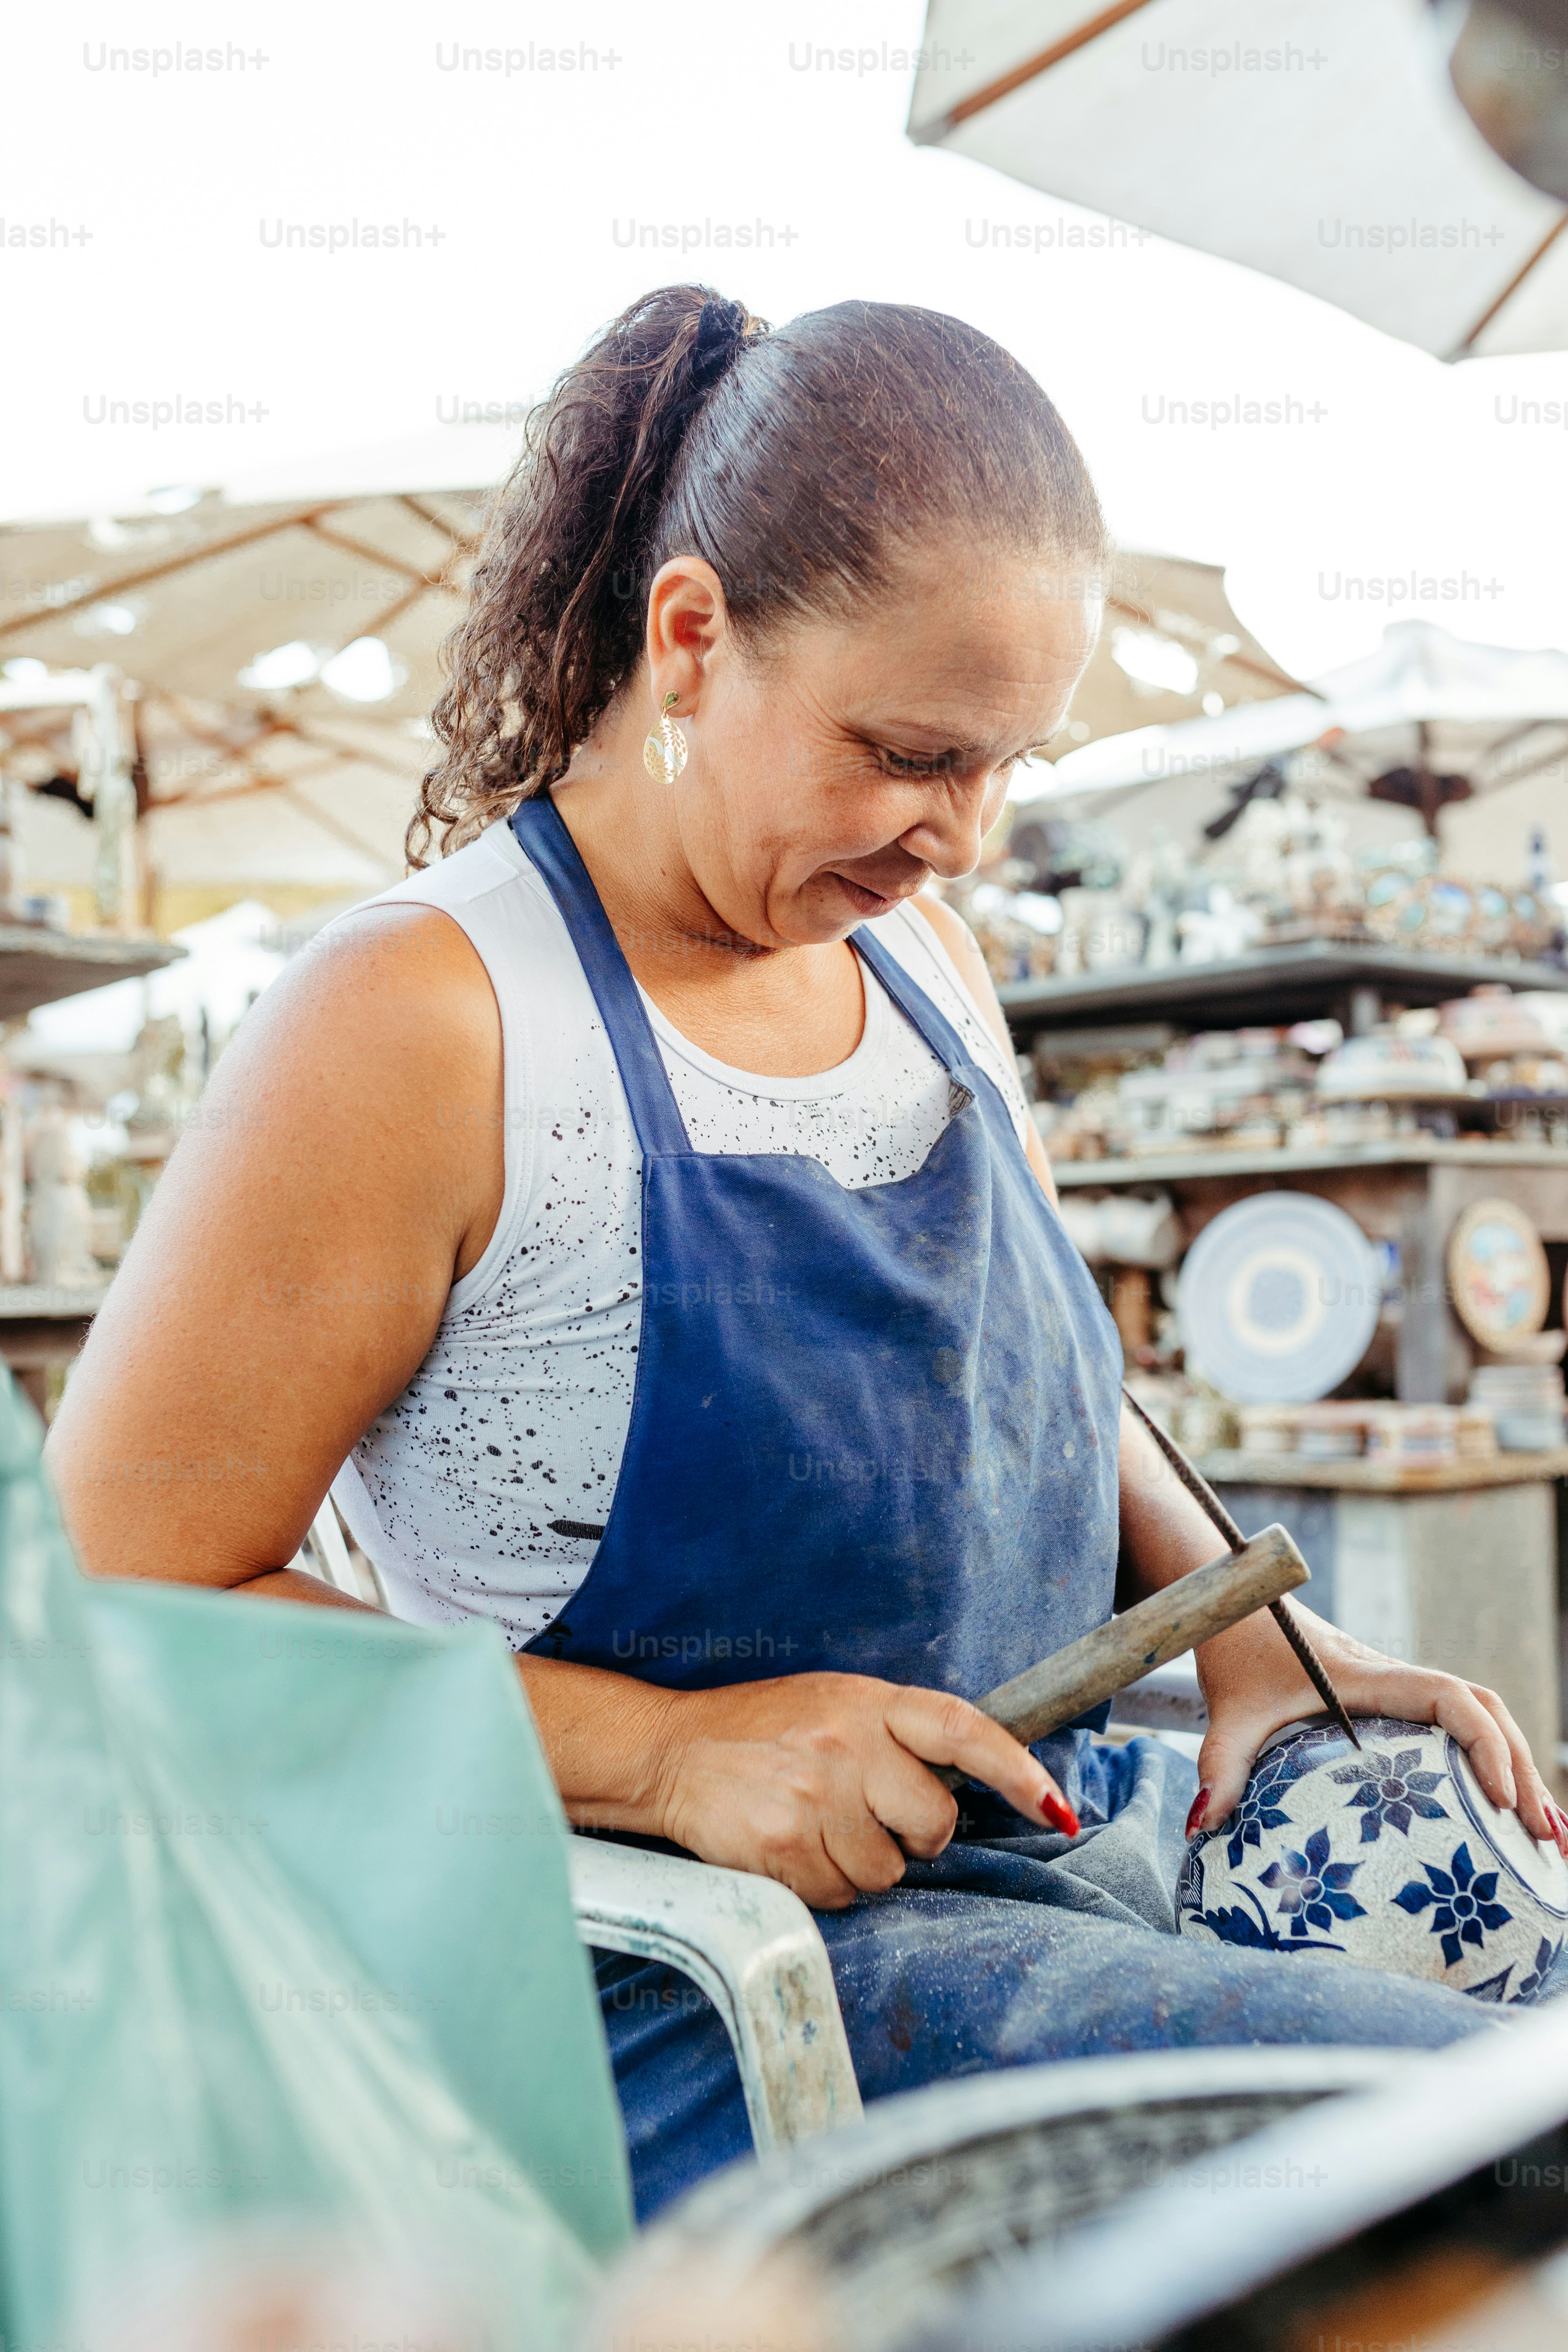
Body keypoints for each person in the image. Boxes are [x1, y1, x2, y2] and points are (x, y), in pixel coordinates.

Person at [47, 286, 1567, 2219]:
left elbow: (1021, 1385)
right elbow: (118, 1608)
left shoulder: (917, 958)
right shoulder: (423, 1018)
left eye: (1010, 764)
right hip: (665, 1994)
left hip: (1032, 1893)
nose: (969, 839)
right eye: (914, 753)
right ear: (692, 636)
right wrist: (674, 1755)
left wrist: (1258, 1633)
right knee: (1479, 2142)